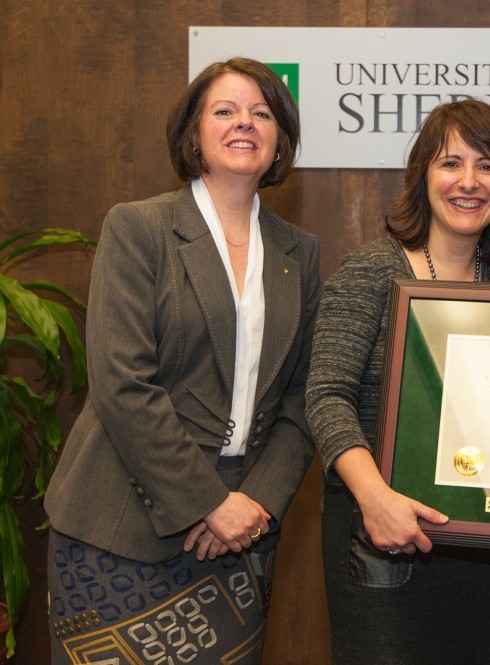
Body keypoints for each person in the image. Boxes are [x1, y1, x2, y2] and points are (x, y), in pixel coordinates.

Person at [45, 57, 320, 664]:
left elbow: (304, 397)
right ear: (194, 134)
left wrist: (257, 504)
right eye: (224, 110)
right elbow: (122, 382)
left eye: (262, 112)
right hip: (122, 524)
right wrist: (206, 502)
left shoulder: (299, 252)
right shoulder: (139, 228)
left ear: (280, 138)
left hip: (243, 531)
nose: (243, 122)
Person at [305, 98, 490, 665]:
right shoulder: (370, 273)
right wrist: (375, 498)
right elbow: (326, 398)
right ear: (422, 177)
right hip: (385, 535)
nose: (469, 182)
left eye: (488, 166)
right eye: (450, 163)